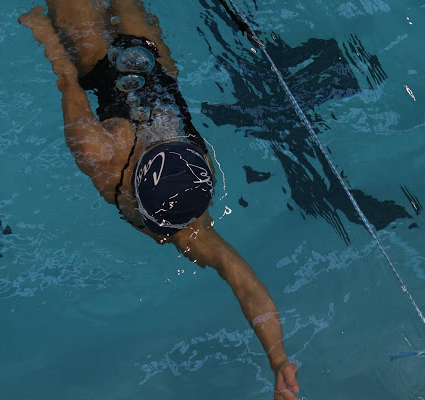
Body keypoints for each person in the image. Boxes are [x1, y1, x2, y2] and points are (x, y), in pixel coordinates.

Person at [19, 1, 300, 398]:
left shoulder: (190, 219)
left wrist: (279, 360)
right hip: (142, 66)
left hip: (143, 64)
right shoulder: (104, 159)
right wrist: (41, 30)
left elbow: (247, 286)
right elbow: (66, 78)